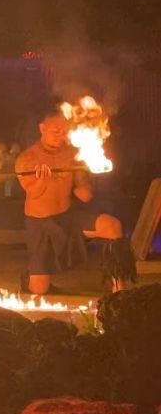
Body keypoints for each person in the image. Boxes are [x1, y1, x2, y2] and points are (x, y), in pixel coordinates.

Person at [15, 109, 135, 295]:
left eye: (64, 131)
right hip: (41, 223)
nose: (60, 135)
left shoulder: (72, 154)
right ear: (42, 128)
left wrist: (91, 171)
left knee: (112, 226)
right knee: (39, 290)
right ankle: (31, 276)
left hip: (68, 217)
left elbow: (84, 195)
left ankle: (120, 290)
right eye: (55, 131)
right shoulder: (27, 158)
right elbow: (33, 192)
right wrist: (42, 179)